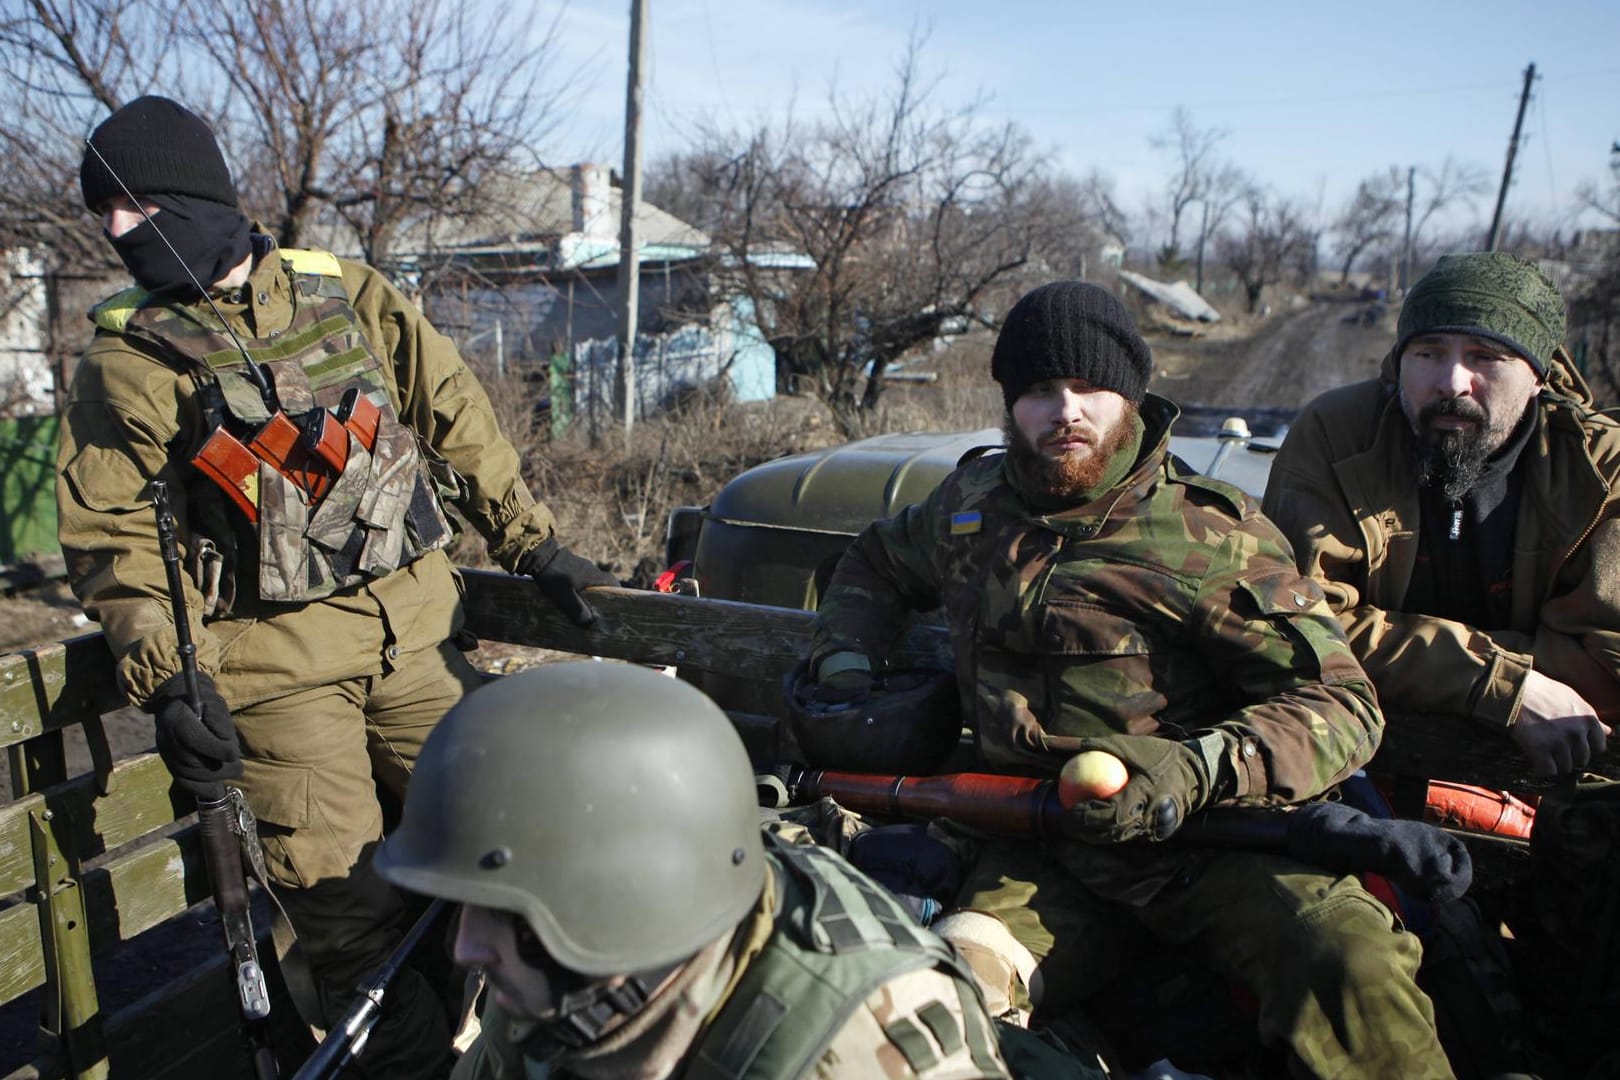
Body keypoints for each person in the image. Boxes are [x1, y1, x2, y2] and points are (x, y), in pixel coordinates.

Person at [58, 96, 615, 1078]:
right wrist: (167, 679)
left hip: (417, 646)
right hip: (279, 687)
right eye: (102, 211)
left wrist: (534, 545)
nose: (115, 231)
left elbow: (455, 412)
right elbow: (106, 536)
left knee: (515, 856)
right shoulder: (128, 358)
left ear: (195, 197)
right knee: (358, 938)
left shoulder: (346, 293)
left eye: (135, 205)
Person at [806, 280, 1454, 1077]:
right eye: (1040, 390)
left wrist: (1199, 769)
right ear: (1012, 404)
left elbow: (1343, 703)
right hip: (1035, 852)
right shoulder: (971, 505)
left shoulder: (1211, 535)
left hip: (1213, 846)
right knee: (937, 1006)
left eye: (1089, 387)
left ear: (1131, 397)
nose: (1065, 410)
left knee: (1351, 966)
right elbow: (873, 560)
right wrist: (845, 661)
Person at [372, 661, 1014, 1080]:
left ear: (643, 904)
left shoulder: (864, 1055)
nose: (464, 946)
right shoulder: (563, 976)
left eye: (504, 911)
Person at [1262, 252, 1618, 776]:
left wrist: (1389, 647)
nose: (1452, 382)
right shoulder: (1337, 435)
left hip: (1560, 761)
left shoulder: (1602, 468)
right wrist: (1502, 684)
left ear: (1540, 376)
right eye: (1427, 353)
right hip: (1361, 745)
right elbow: (1296, 627)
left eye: (1486, 357)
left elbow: (1608, 665)